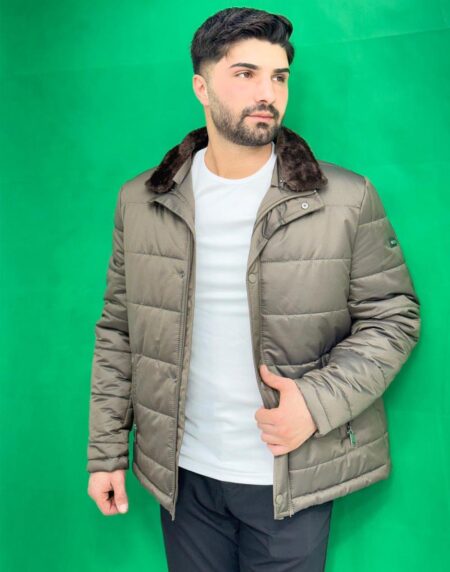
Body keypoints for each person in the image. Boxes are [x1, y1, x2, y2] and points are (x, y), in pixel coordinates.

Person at [86, 7, 421, 571]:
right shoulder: (142, 201)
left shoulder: (346, 198)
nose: (268, 93)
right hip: (183, 478)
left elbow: (395, 316)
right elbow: (119, 330)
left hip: (290, 473)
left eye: (279, 77)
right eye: (245, 74)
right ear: (201, 86)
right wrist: (106, 453)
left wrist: (315, 404)